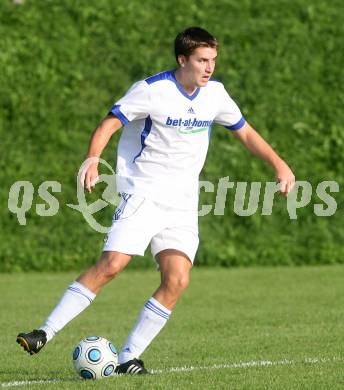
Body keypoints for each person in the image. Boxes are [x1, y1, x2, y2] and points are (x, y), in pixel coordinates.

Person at [16, 27, 295, 374]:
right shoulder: (151, 91)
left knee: (177, 279)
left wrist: (279, 164)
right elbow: (108, 125)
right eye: (202, 60)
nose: (209, 68)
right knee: (112, 266)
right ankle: (44, 332)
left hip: (181, 203)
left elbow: (246, 132)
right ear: (183, 59)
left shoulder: (216, 95)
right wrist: (91, 160)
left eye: (213, 61)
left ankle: (128, 357)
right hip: (142, 194)